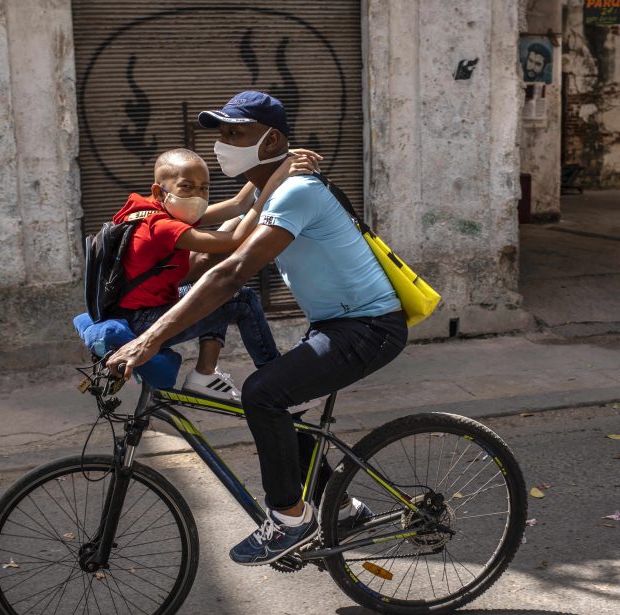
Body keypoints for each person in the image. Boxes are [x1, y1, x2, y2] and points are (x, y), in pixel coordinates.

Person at [106, 91, 406, 565]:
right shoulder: (274, 190)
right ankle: (344, 510)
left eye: (236, 133)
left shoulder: (298, 192)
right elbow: (212, 247)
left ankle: (289, 519)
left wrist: (151, 338)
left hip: (369, 326)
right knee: (281, 406)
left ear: (273, 142)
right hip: (337, 324)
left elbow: (232, 272)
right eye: (221, 133)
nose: (223, 143)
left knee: (262, 393)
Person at [111, 146, 318, 400]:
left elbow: (239, 205)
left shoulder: (148, 210)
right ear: (159, 190)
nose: (197, 196)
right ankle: (280, 384)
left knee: (210, 286)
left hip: (138, 309)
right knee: (242, 299)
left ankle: (205, 373)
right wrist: (277, 180)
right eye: (187, 187)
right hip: (144, 321)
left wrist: (273, 165)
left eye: (204, 188)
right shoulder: (163, 227)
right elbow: (234, 239)